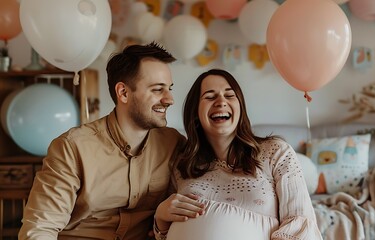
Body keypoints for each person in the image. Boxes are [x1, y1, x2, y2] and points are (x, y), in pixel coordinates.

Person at [18, 42, 202, 240]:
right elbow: (39, 228)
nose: (170, 99)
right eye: (158, 90)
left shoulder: (173, 143)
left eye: (169, 88)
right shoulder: (72, 147)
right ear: (123, 93)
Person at [153, 69, 322, 240]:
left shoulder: (276, 152)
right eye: (210, 97)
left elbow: (300, 223)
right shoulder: (182, 166)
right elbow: (162, 235)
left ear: (240, 106)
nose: (221, 102)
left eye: (229, 95)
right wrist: (160, 218)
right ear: (195, 112)